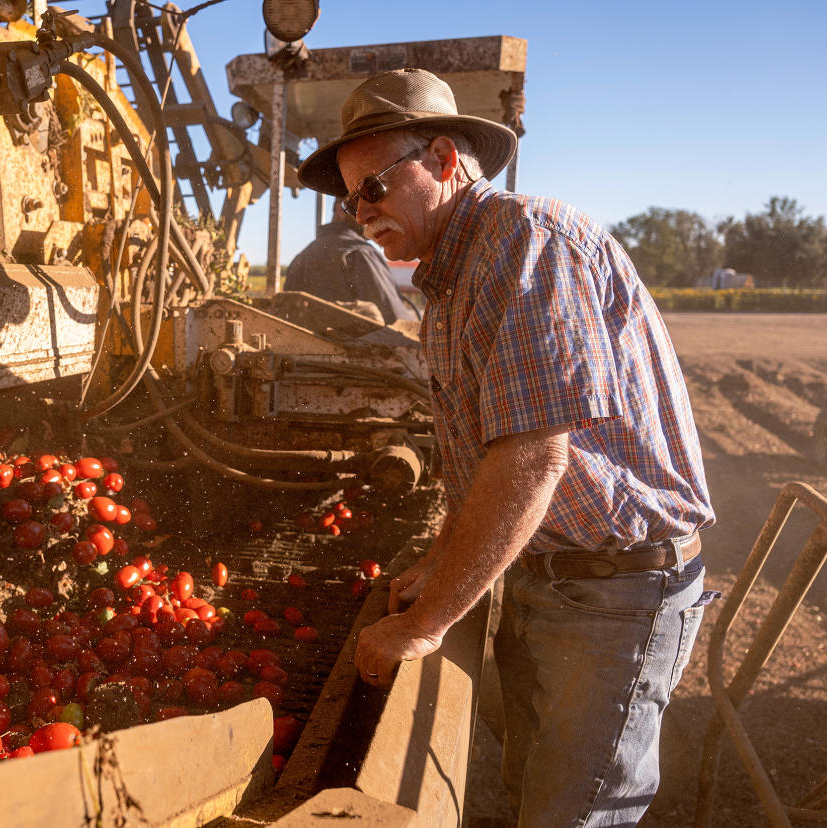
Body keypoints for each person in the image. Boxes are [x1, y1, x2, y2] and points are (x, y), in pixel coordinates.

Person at [298, 68, 714, 826]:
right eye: (349, 199)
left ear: (446, 160)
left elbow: (530, 459)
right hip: (550, 575)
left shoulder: (525, 244)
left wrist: (425, 625)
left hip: (616, 592)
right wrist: (445, 554)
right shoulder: (450, 281)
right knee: (532, 788)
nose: (360, 215)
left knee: (573, 811)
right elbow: (478, 455)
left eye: (374, 190)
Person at [283, 199, 414, 324]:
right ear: (340, 208)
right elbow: (397, 321)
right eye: (356, 206)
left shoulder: (301, 257)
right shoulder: (361, 252)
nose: (368, 216)